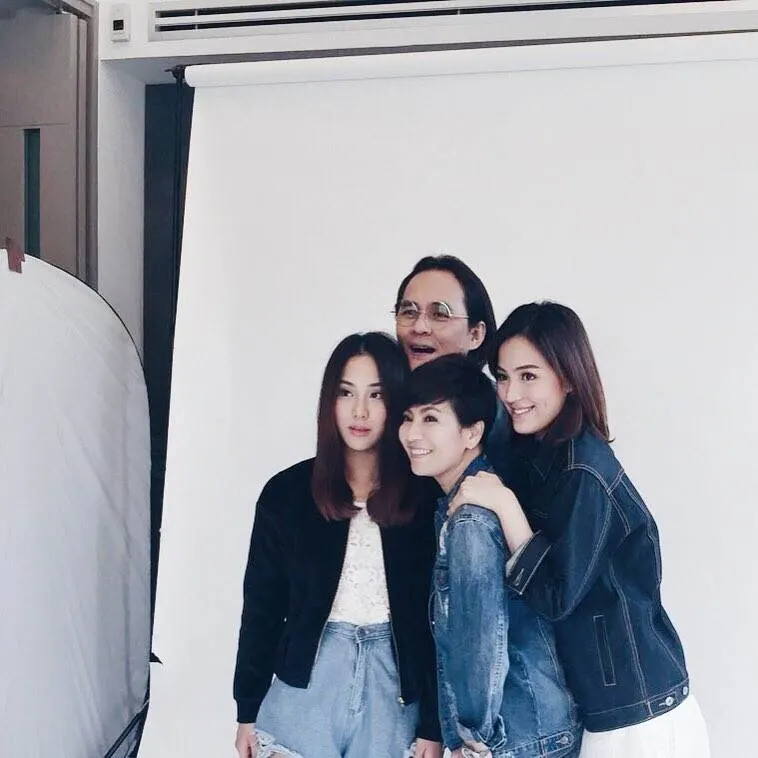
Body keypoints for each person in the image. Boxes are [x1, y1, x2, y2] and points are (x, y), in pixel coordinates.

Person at [449, 302, 710, 757]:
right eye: (503, 376)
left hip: (643, 716)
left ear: (568, 378)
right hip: (609, 712)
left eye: (528, 376)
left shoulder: (582, 471)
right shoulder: (542, 457)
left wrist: (506, 507)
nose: (511, 393)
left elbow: (556, 597)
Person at [233, 332, 442, 758]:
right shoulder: (287, 493)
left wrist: (433, 726)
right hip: (306, 690)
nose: (359, 411)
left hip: (394, 695)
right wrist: (247, 709)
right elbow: (262, 609)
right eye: (346, 392)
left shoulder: (425, 498)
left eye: (376, 395)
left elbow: (440, 625)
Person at [399, 354, 582, 758]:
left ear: (472, 433)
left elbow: (478, 643)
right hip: (534, 730)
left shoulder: (472, 519)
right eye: (407, 418)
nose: (412, 433)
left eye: (430, 418)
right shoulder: (466, 501)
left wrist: (474, 739)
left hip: (516, 739)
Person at [393, 254, 513, 476]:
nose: (419, 327)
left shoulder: (504, 421)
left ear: (475, 334)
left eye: (440, 313)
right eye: (409, 312)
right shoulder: (388, 397)